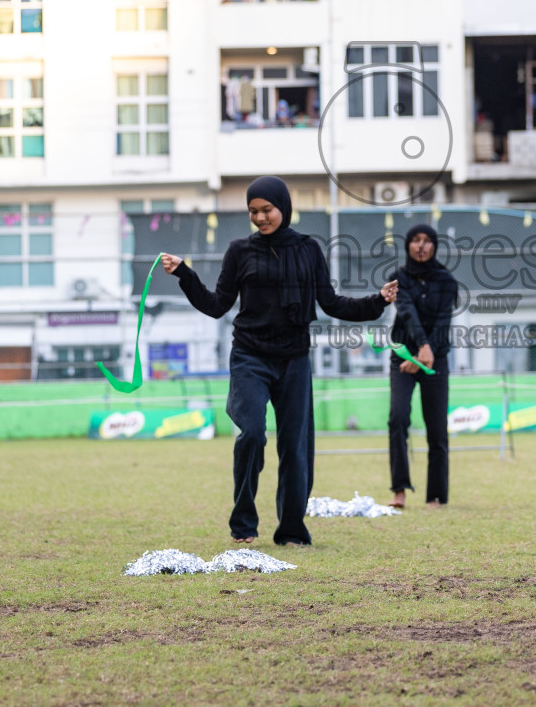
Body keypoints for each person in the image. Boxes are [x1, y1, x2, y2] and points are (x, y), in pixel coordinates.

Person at [162, 177, 397, 546]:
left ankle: (290, 528)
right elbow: (216, 305)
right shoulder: (240, 251)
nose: (260, 217)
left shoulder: (308, 249)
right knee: (252, 434)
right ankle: (243, 522)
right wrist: (185, 275)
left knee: (295, 446)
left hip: (293, 359)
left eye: (266, 209)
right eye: (253, 211)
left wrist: (378, 300)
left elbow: (332, 303)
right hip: (250, 356)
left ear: (283, 208)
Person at [385, 224, 457, 510]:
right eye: (415, 240)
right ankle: (399, 490)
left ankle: (436, 496)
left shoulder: (447, 281)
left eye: (427, 241)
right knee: (398, 418)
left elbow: (443, 322)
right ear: (408, 245)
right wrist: (417, 354)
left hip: (435, 358)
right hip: (402, 356)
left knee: (437, 428)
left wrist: (428, 353)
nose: (421, 246)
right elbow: (407, 313)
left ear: (435, 245)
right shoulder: (398, 278)